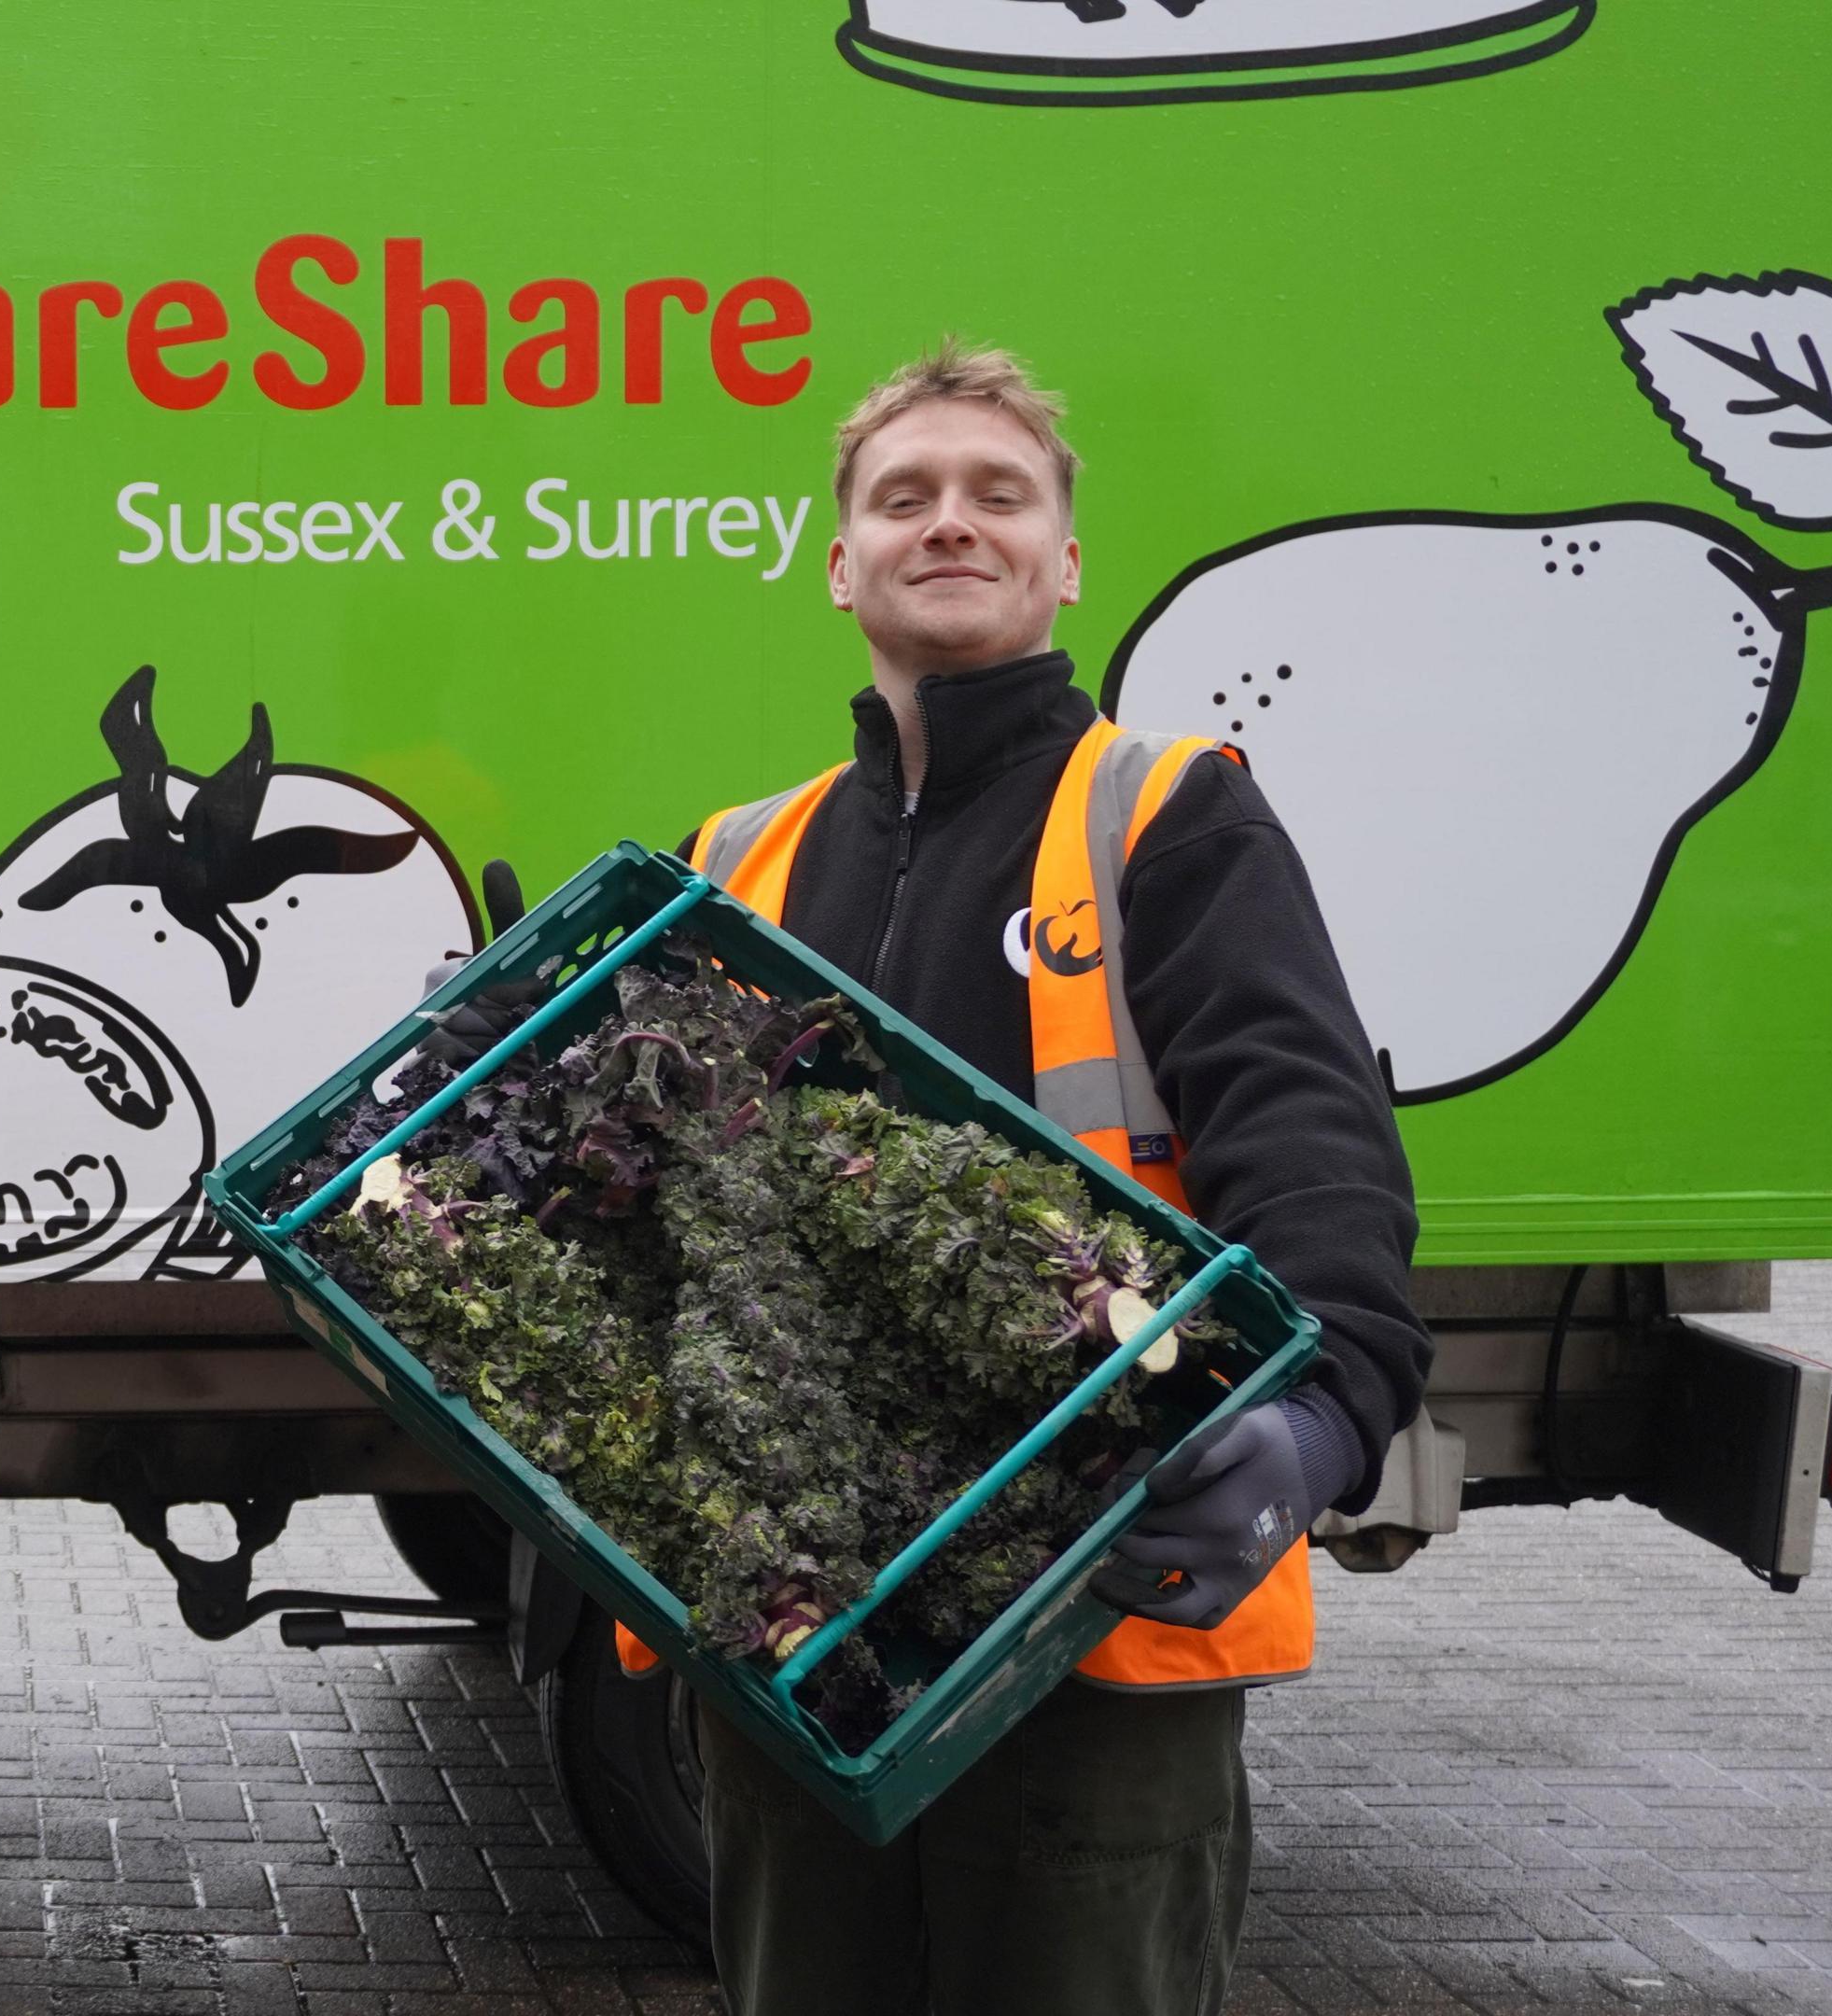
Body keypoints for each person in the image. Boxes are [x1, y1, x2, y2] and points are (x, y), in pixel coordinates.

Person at [445, 341, 1430, 2012]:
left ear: (1065, 561)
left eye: (999, 495)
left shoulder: (1165, 816)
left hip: (1092, 1626)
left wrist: (1326, 1414)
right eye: (904, 498)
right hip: (800, 1643)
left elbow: (1313, 1140)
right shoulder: (734, 863)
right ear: (841, 566)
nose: (949, 523)